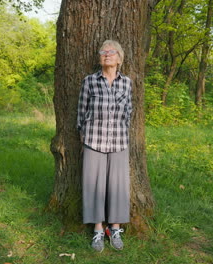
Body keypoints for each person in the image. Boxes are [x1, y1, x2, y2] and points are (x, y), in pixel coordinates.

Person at [76, 40, 133, 252]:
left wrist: (123, 130)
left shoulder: (127, 83)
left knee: (118, 186)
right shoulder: (89, 81)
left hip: (119, 141)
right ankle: (98, 229)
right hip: (93, 140)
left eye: (111, 52)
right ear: (100, 58)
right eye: (103, 52)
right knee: (94, 185)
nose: (107, 54)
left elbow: (129, 111)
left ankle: (115, 228)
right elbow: (81, 111)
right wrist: (83, 136)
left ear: (119, 58)